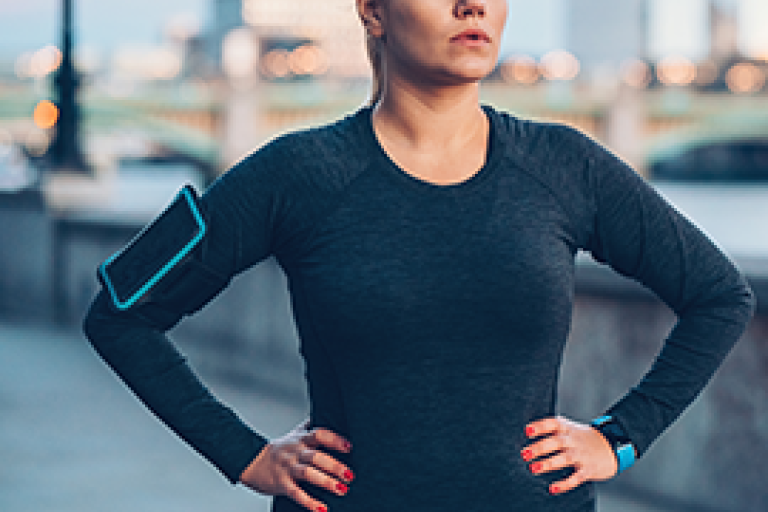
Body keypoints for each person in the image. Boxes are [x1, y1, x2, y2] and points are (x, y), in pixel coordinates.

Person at [83, 1, 756, 511]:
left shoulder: (565, 166)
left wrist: (620, 437)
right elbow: (121, 313)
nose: (472, 4)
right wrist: (245, 456)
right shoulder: (297, 174)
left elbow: (720, 295)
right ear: (372, 11)